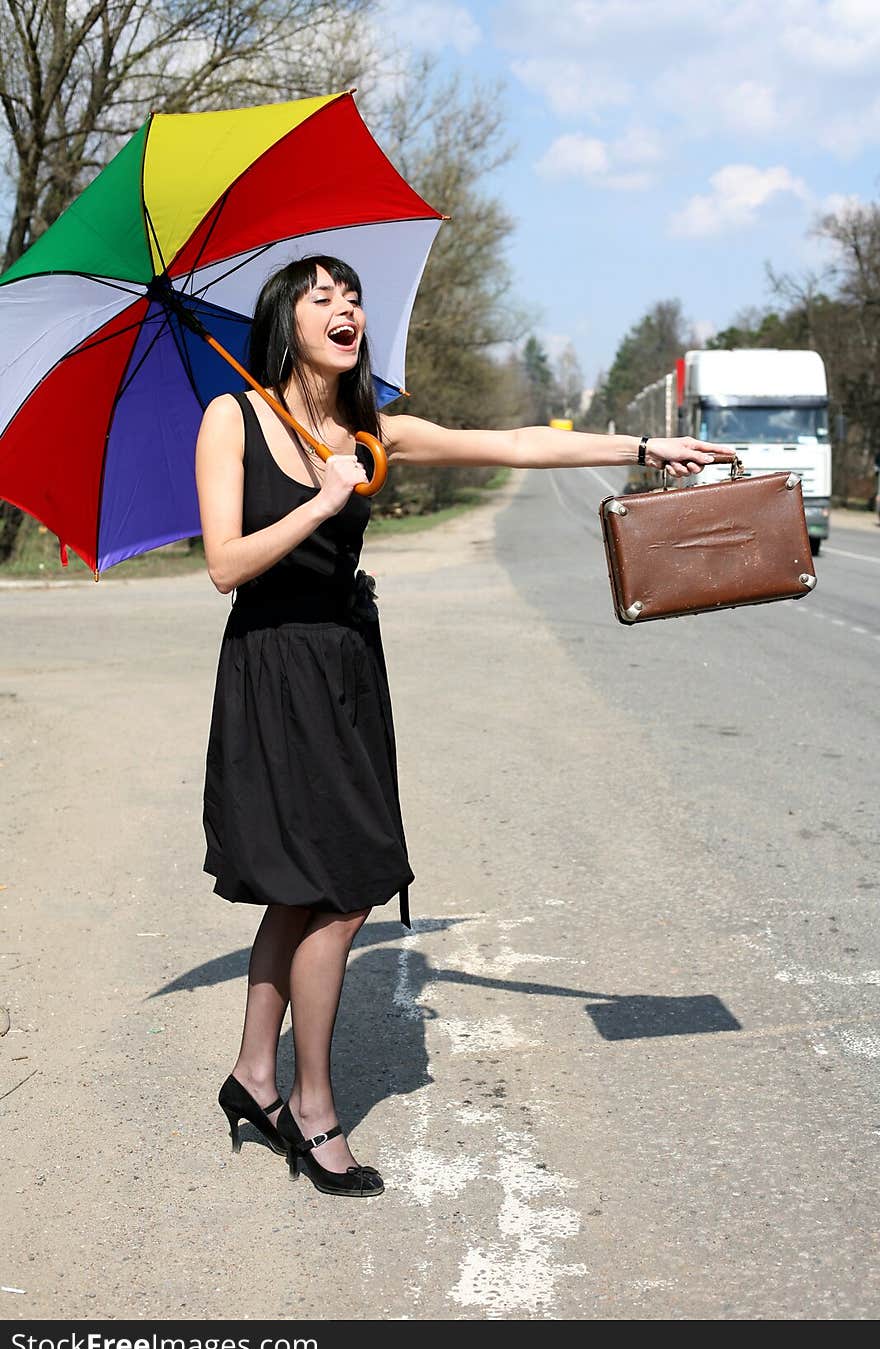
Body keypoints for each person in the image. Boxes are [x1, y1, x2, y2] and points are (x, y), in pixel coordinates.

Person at [195, 255, 734, 1199]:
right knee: (337, 890)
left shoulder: (377, 431)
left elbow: (518, 443)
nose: (346, 309)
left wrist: (646, 450)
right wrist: (321, 500)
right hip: (272, 670)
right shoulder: (228, 419)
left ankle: (252, 1075)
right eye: (321, 298)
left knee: (313, 886)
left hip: (348, 669)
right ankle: (313, 1109)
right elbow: (225, 563)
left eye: (352, 296)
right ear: (285, 321)